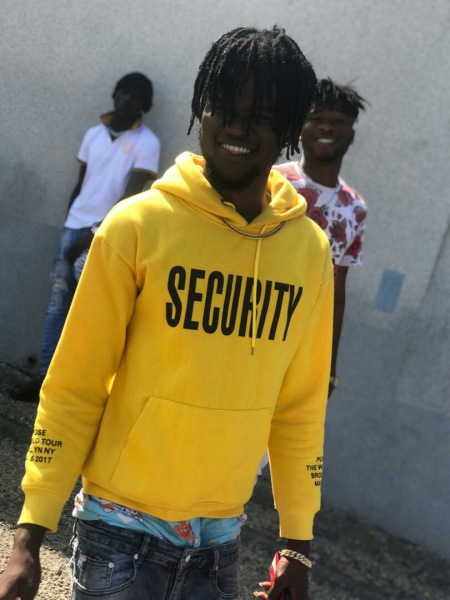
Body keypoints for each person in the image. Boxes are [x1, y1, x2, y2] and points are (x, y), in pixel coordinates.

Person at [0, 27, 332, 600]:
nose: (236, 128)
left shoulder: (308, 252)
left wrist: (296, 546)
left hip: (221, 538)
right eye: (223, 109)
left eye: (259, 116)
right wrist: (28, 537)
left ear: (288, 130)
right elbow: (75, 384)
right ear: (202, 110)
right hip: (118, 529)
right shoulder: (137, 225)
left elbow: (299, 408)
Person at [10, 72, 160, 402]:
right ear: (114, 95)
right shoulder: (93, 134)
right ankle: (45, 381)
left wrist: (92, 235)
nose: (127, 99)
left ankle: (75, 388)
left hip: (106, 236)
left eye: (135, 95)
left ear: (145, 104)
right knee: (57, 306)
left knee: (92, 313)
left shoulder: (147, 142)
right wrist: (69, 225)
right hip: (73, 229)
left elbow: (131, 199)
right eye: (123, 92)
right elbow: (81, 184)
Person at [274, 78, 367, 397]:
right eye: (316, 118)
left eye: (338, 121)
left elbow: (336, 292)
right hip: (253, 331)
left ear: (351, 134)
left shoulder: (355, 208)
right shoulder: (273, 182)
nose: (326, 127)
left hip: (304, 347)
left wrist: (329, 368)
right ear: (300, 128)